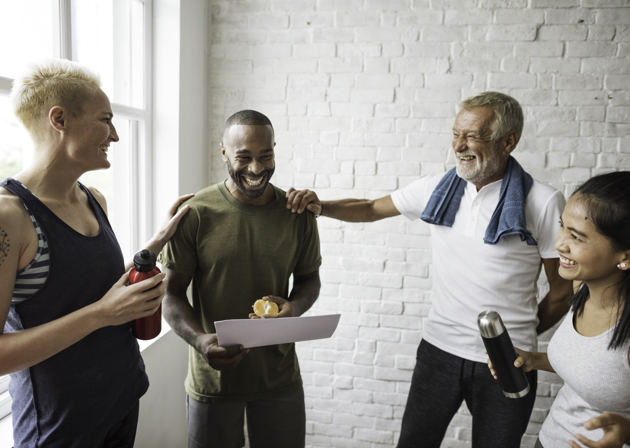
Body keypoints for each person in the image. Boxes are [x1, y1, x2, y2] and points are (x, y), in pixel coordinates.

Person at [286, 91, 574, 447]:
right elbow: (371, 208)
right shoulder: (438, 188)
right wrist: (320, 206)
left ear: (508, 141)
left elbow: (562, 293)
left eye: (473, 136)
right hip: (438, 351)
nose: (460, 146)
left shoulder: (543, 202)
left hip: (508, 362)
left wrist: (513, 339)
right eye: (456, 134)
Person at [0, 58, 198, 448]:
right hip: (61, 429)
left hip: (121, 401)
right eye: (105, 119)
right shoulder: (9, 218)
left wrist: (154, 245)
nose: (116, 135)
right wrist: (101, 314)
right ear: (59, 120)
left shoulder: (94, 200)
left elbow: (87, 288)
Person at [160, 109, 322, 448]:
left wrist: (292, 307)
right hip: (214, 382)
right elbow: (170, 294)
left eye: (266, 156)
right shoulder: (195, 214)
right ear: (223, 152)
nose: (256, 168)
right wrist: (201, 341)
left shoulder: (297, 214)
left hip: (279, 378)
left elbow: (310, 281)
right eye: (243, 157)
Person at [489, 171, 630, 448]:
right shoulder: (581, 288)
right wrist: (534, 360)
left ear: (624, 256)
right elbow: (596, 368)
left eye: (576, 237)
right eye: (562, 226)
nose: (559, 243)